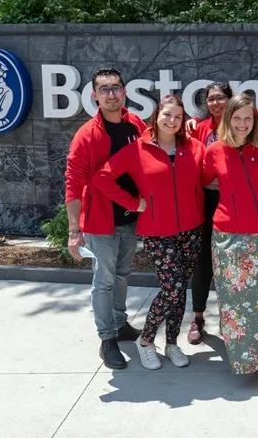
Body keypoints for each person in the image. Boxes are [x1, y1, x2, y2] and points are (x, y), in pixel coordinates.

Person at [94, 96, 204, 369]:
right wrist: (133, 203)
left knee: (180, 291)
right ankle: (145, 340)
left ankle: (172, 343)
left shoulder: (194, 147)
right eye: (167, 114)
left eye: (178, 117)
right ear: (157, 116)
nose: (172, 120)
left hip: (191, 229)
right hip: (157, 231)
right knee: (173, 288)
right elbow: (103, 177)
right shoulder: (138, 149)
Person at [203, 94, 258, 374]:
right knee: (238, 302)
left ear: (255, 121)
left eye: (248, 118)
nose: (242, 124)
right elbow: (202, 181)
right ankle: (246, 360)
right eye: (237, 117)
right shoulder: (214, 151)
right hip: (229, 237)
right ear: (228, 118)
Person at [64, 68, 146, 370]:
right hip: (101, 221)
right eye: (104, 89)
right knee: (104, 281)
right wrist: (74, 229)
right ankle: (107, 339)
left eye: (116, 88)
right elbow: (73, 181)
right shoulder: (87, 134)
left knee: (123, 275)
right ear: (94, 95)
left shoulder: (135, 124)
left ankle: (120, 323)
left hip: (130, 219)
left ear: (124, 91)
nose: (111, 94)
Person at [186, 81, 233, 345]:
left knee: (229, 261)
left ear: (230, 98)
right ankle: (198, 316)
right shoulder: (199, 128)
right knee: (203, 261)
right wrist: (187, 123)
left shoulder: (240, 124)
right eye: (211, 98)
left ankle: (231, 317)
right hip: (205, 200)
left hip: (233, 201)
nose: (215, 103)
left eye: (220, 97)